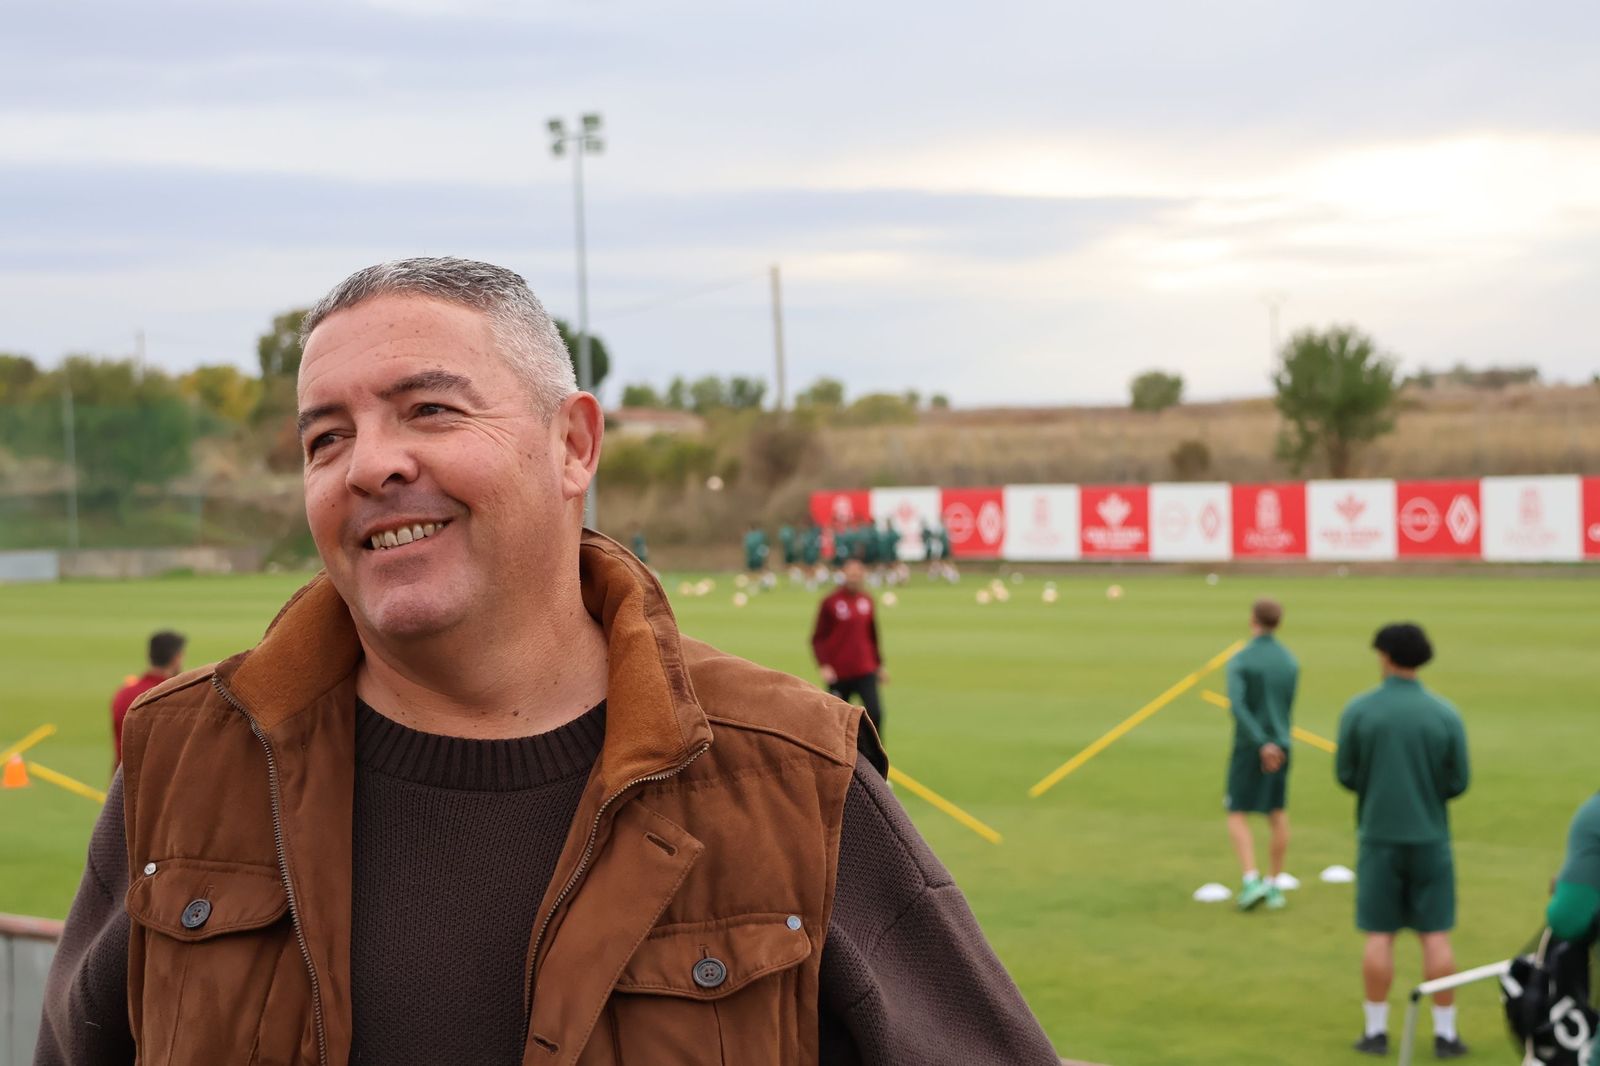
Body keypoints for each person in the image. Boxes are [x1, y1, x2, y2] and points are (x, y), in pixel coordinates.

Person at [38, 257, 1059, 1066]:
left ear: (572, 444)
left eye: (429, 409)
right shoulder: (178, 767)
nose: (370, 463)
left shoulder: (791, 776)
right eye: (324, 438)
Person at [1336, 622, 1471, 1059]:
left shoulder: (1360, 710)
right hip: (1431, 837)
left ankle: (1376, 1031)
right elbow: (1458, 781)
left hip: (1379, 837)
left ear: (1387, 657)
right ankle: (1445, 1035)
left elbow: (1346, 775)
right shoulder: (1444, 713)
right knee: (1435, 936)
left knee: (1379, 934)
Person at [1224, 599, 1298, 912]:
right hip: (1282, 745)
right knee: (1276, 812)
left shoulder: (1241, 659)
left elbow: (1238, 707)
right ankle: (1273, 884)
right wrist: (1274, 742)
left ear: (1253, 620)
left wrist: (1259, 742)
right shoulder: (1289, 661)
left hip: (1250, 747)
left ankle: (1251, 879)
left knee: (1237, 811)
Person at [811, 559, 887, 742]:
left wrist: (879, 664)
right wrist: (824, 665)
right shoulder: (830, 602)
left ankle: (874, 759)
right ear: (843, 574)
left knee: (875, 714)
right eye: (851, 574)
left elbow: (872, 635)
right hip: (839, 672)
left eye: (858, 574)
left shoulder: (867, 600)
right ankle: (836, 759)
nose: (854, 578)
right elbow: (818, 638)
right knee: (834, 720)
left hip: (865, 669)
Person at [108, 630, 185, 769]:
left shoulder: (124, 694)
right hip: (159, 782)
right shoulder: (177, 695)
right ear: (177, 658)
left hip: (124, 780)